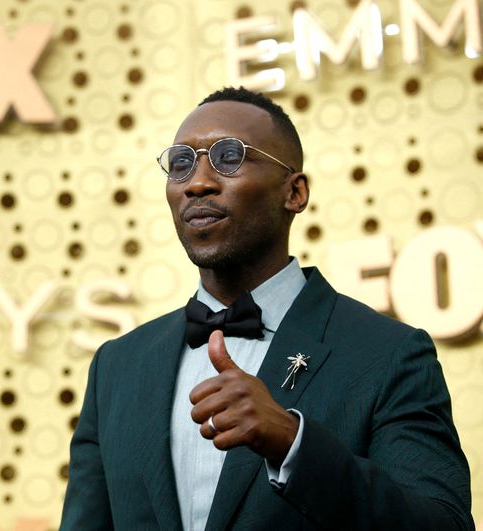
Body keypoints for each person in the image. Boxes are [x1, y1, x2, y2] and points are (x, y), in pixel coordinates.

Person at [59, 86, 473, 531]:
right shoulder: (117, 366)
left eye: (230, 157)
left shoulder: (389, 354)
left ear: (294, 193)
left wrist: (293, 443)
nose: (197, 182)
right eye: (181, 163)